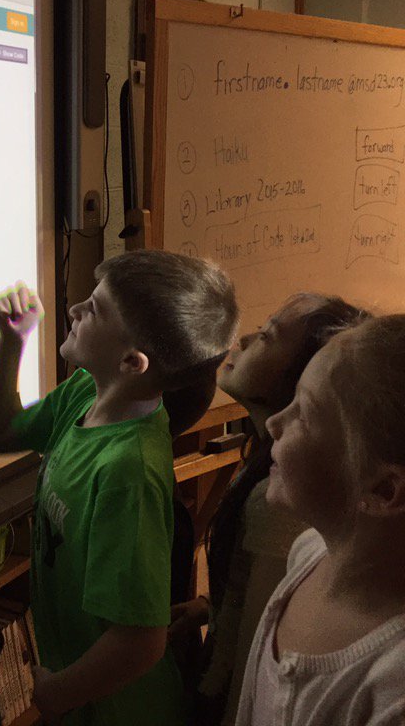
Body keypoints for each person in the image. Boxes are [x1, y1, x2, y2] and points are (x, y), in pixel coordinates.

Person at [0, 251, 238, 725]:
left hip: (121, 710)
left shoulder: (127, 472)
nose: (74, 308)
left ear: (131, 362)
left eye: (95, 308)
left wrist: (59, 693)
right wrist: (11, 342)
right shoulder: (86, 391)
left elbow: (140, 642)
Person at [168, 293, 369, 724]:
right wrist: (210, 605)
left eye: (269, 335)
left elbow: (256, 659)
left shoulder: (280, 503)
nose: (244, 340)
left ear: (300, 375)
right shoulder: (268, 459)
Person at [234, 314, 405, 725]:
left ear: (383, 491)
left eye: (304, 414)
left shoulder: (392, 686)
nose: (274, 422)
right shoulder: (307, 552)